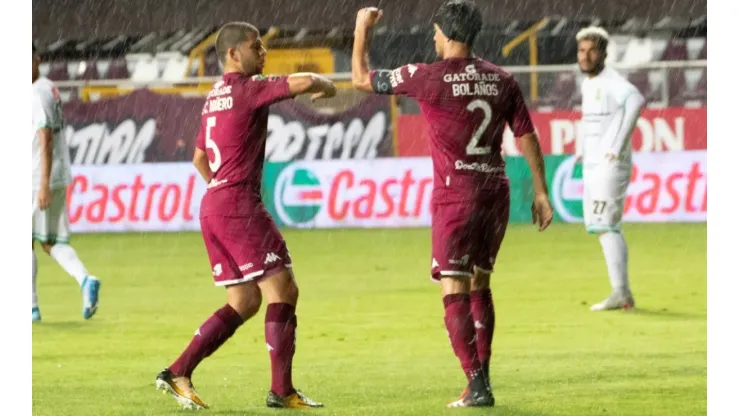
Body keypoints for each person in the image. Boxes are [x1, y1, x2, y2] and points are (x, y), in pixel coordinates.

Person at [351, 0, 553, 408]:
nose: (433, 37)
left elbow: (359, 79)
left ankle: (476, 384)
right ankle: (481, 376)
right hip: (495, 191)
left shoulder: (425, 76)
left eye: (435, 32)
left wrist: (361, 29)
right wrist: (541, 190)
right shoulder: (502, 79)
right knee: (481, 281)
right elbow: (526, 134)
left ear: (445, 33)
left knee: (454, 285)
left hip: (455, 193)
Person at [154, 22, 336, 410]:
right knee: (283, 290)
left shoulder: (214, 96)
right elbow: (301, 82)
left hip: (215, 204)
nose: (263, 52)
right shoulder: (246, 88)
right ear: (234, 54)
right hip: (236, 205)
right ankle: (281, 391)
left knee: (244, 299)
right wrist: (328, 85)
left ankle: (178, 371)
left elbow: (199, 158)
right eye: (256, 47)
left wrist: (221, 190)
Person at [575, 26, 645, 311]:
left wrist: (617, 144)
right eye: (581, 50)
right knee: (600, 227)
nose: (586, 56)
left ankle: (621, 292)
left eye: (592, 50)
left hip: (609, 165)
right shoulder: (588, 83)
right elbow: (588, 118)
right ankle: (620, 292)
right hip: (593, 164)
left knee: (607, 226)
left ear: (604, 53)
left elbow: (636, 100)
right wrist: (581, 148)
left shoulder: (612, 81)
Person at [32, 43, 101, 322]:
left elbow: (45, 137)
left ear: (36, 59)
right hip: (57, 173)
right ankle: (85, 280)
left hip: (37, 177)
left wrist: (43, 184)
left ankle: (31, 308)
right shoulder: (48, 86)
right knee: (49, 241)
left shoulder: (35, 93)